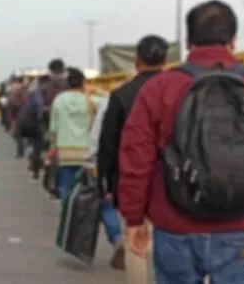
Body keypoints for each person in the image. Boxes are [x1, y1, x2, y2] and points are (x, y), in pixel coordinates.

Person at [118, 0, 244, 284]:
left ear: (189, 41)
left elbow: (136, 157)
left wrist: (134, 218)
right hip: (242, 224)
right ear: (233, 40)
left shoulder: (159, 87)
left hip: (175, 222)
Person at [98, 35, 169, 211]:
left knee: (136, 234)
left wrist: (104, 180)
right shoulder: (179, 90)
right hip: (169, 182)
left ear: (137, 60)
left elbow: (108, 142)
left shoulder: (121, 94)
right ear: (165, 60)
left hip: (130, 180)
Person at [48, 67, 103, 200]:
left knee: (66, 188)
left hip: (65, 151)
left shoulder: (59, 100)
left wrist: (52, 148)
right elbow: (110, 98)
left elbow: (54, 128)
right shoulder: (91, 101)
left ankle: (68, 214)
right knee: (88, 188)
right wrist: (95, 90)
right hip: (86, 152)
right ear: (83, 82)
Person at [86, 93, 126, 270]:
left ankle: (117, 237)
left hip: (114, 164)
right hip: (150, 164)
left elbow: (99, 134)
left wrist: (90, 157)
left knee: (106, 202)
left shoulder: (113, 99)